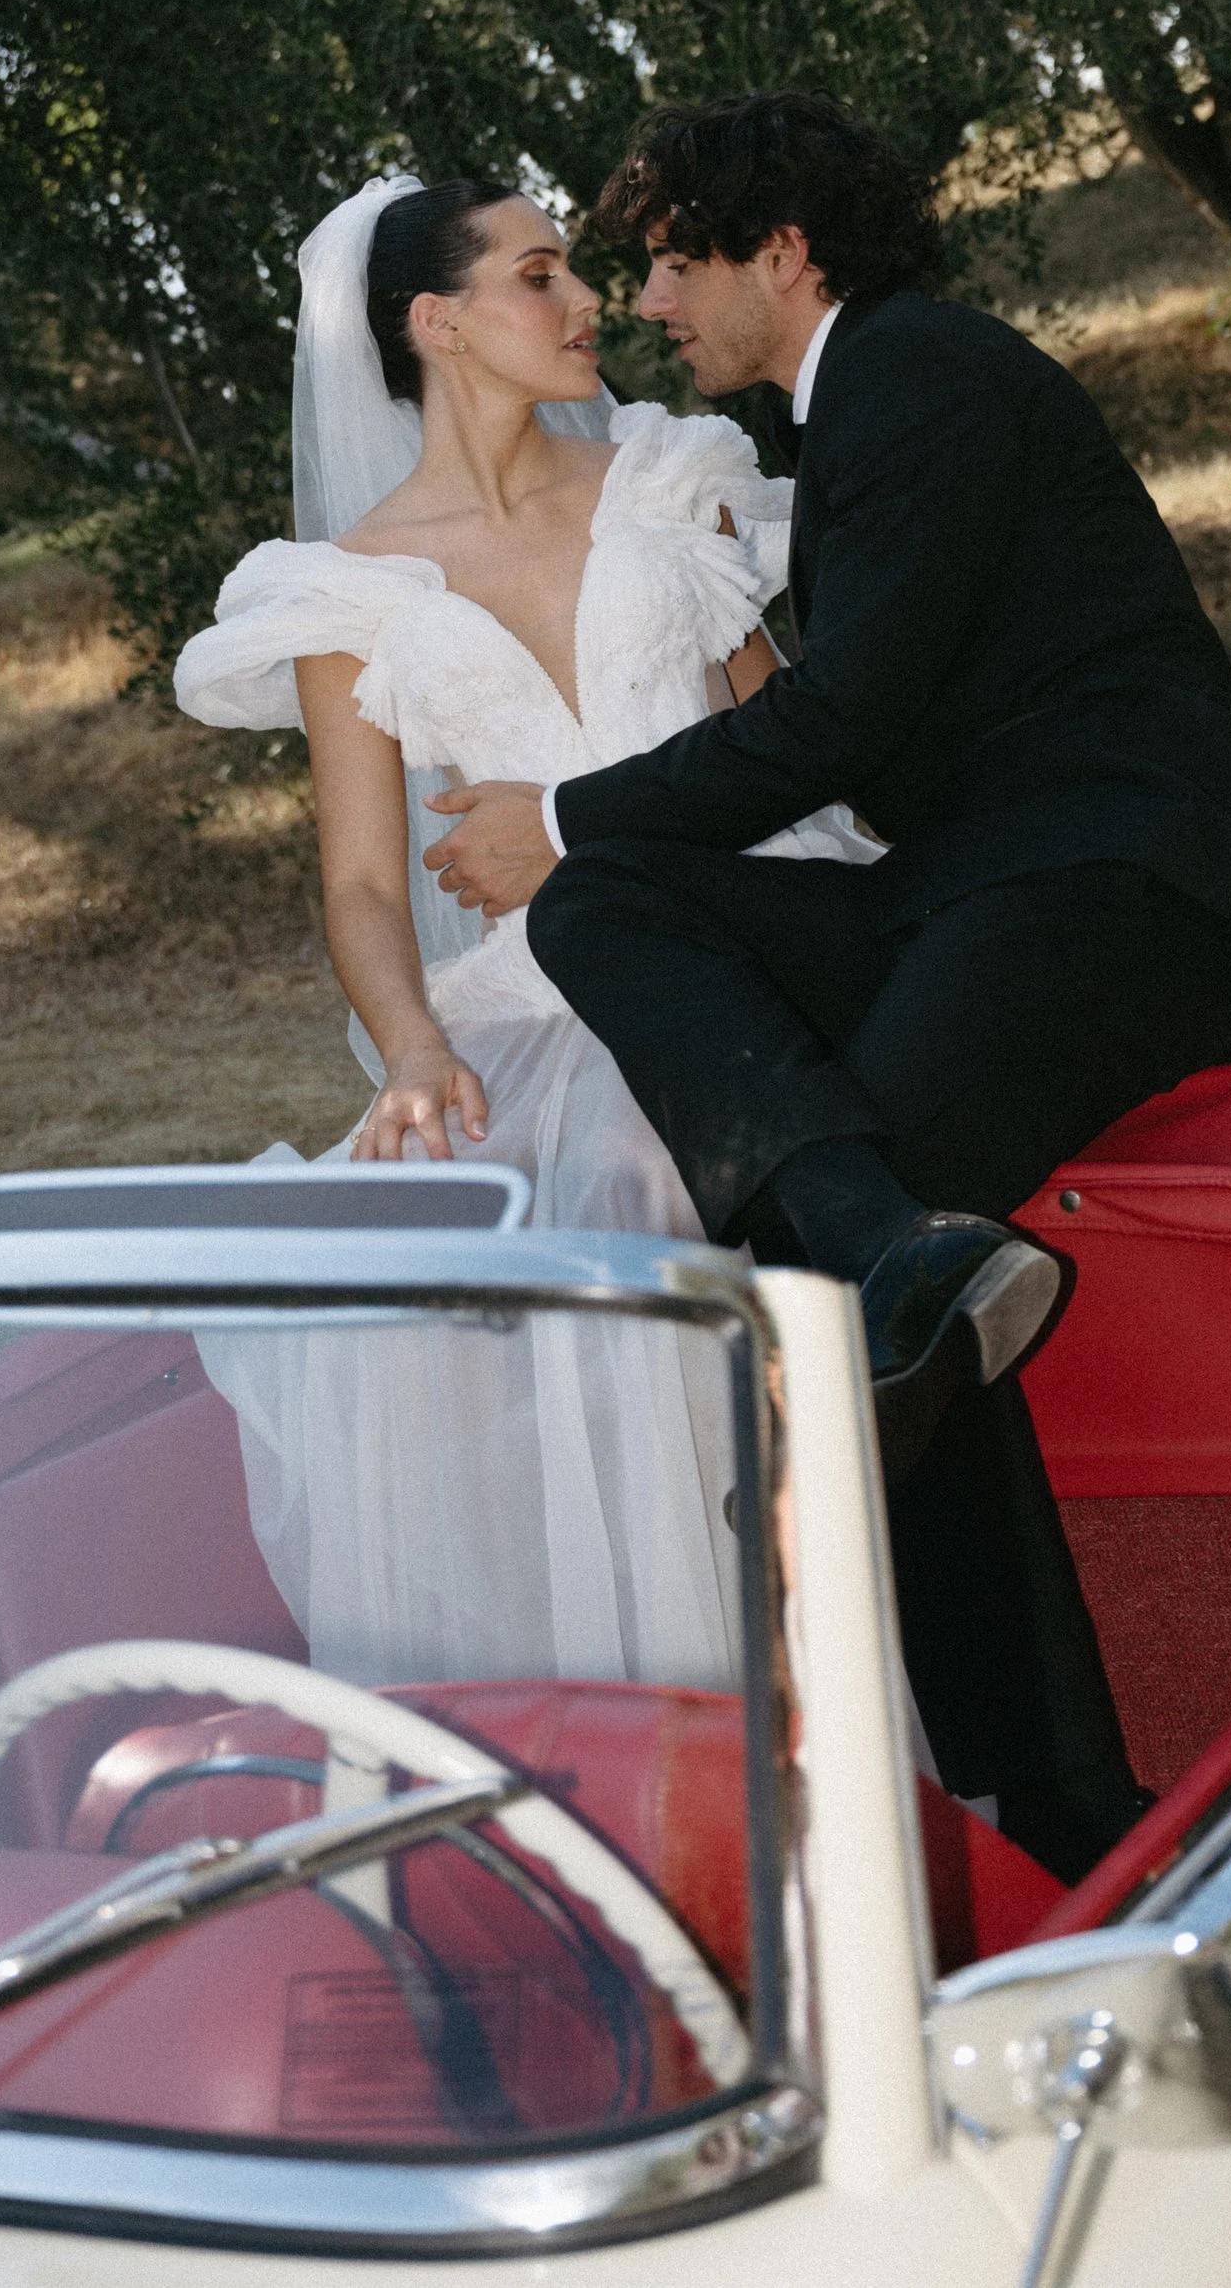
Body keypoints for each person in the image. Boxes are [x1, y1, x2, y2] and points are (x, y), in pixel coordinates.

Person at [424, 90, 1231, 1874]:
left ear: (783, 252)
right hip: (965, 899)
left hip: (1124, 890)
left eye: (672, 261)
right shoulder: (841, 415)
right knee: (605, 915)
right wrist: (589, 845)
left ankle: (1062, 1779)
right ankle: (892, 1267)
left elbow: (839, 723)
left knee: (851, 1229)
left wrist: (559, 805)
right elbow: (841, 738)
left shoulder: (922, 372)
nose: (651, 304)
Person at [171, 169, 873, 1700]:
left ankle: (771, 1655)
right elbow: (362, 882)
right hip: (530, 995)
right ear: (438, 324)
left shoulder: (661, 475)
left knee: (628, 1166)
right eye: (539, 277)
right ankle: (610, 1699)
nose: (586, 306)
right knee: (422, 1227)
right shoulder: (344, 588)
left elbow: (787, 738)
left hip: (752, 913)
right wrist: (413, 1047)